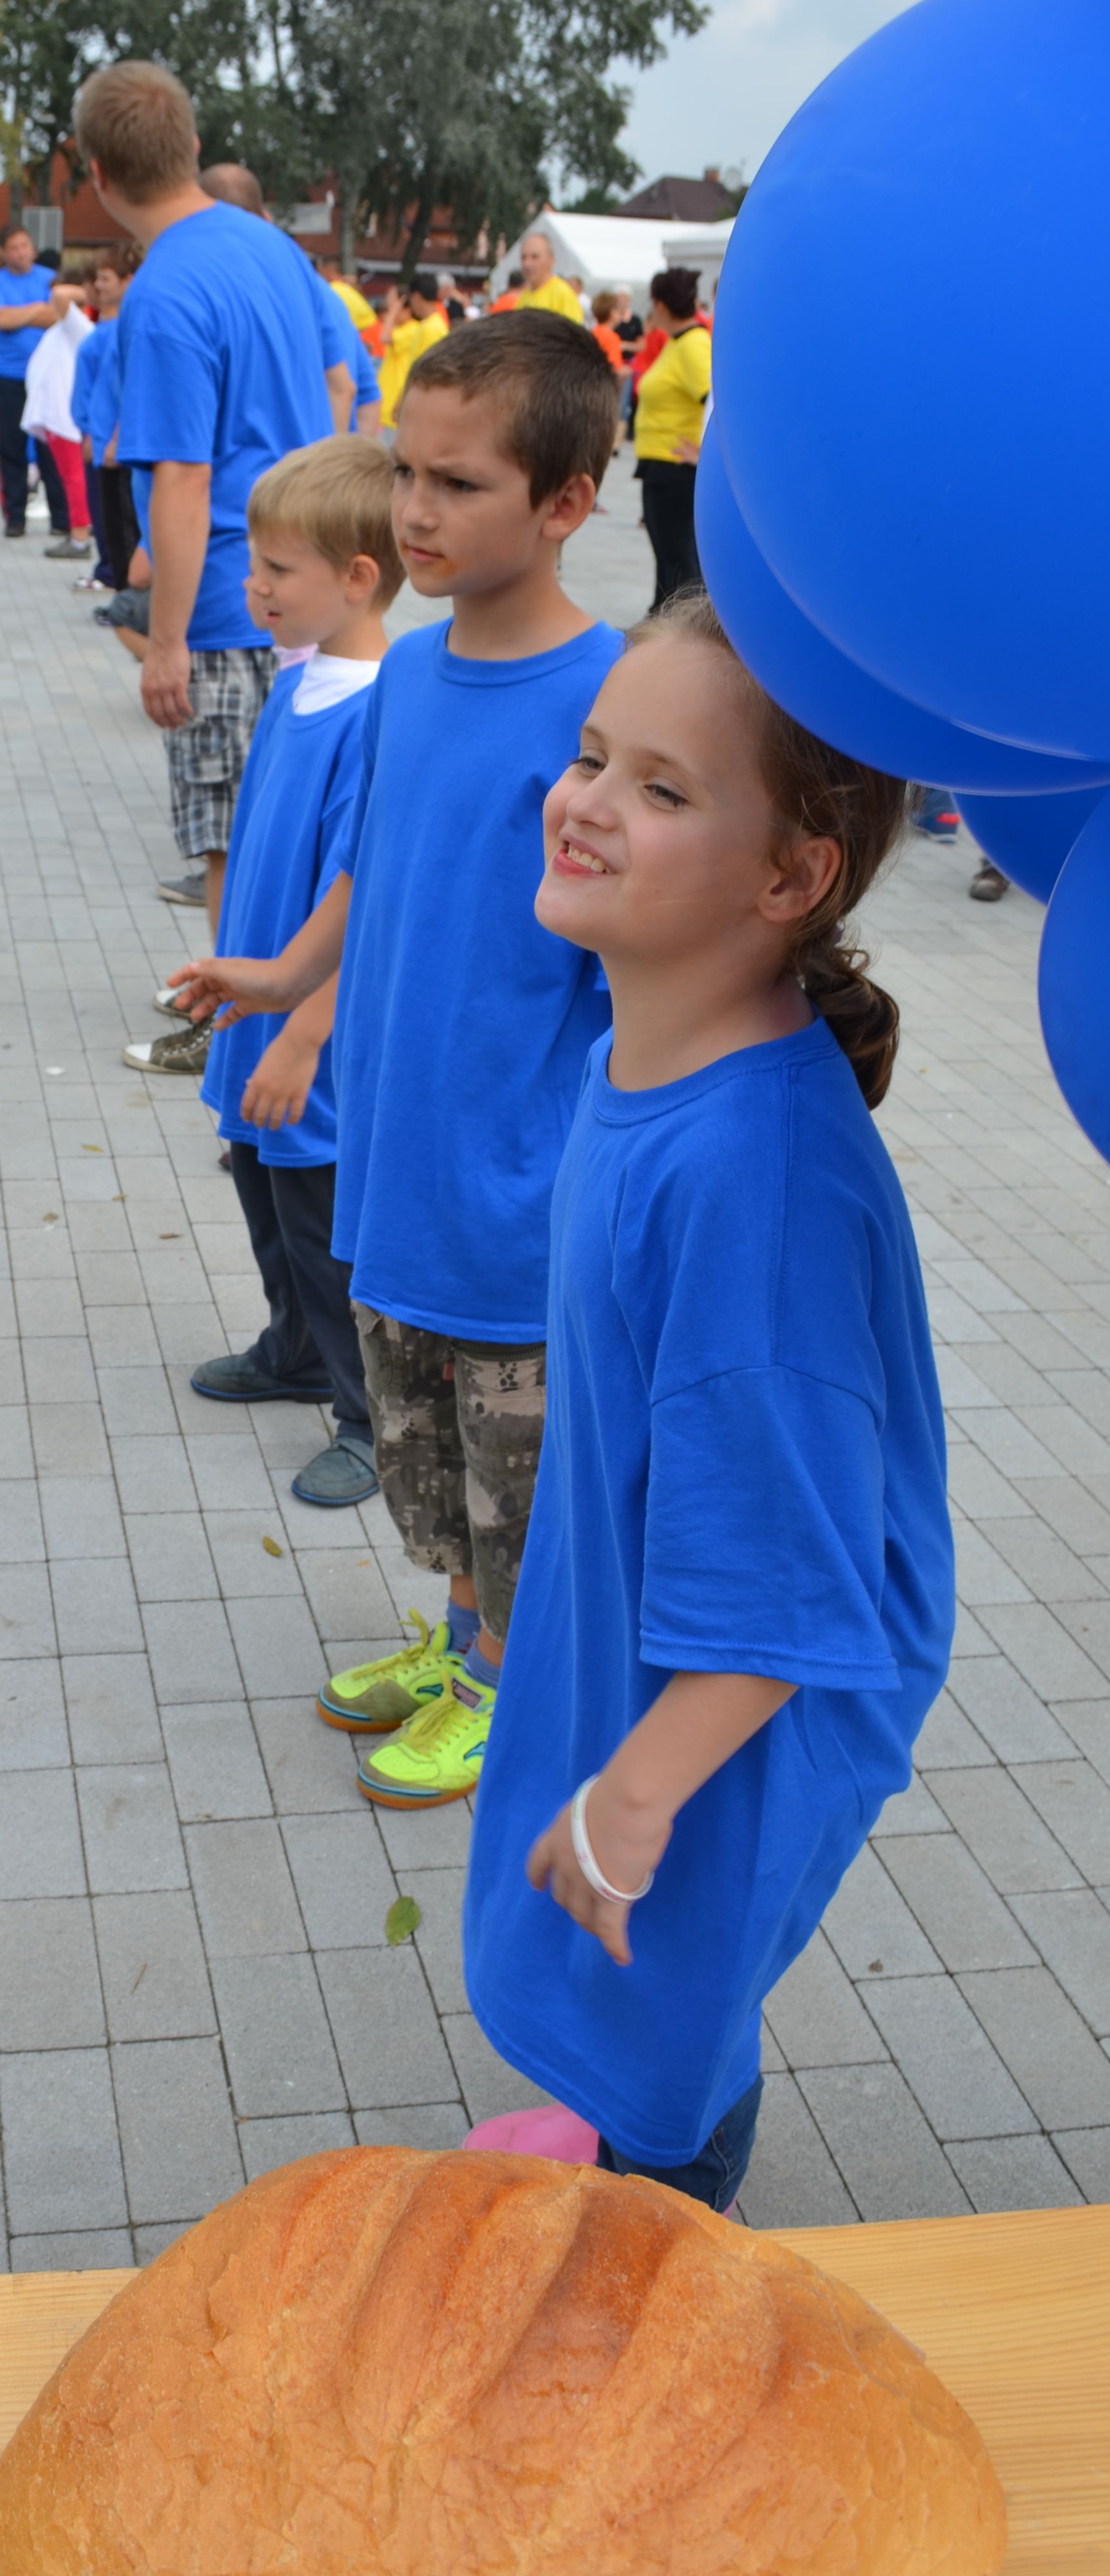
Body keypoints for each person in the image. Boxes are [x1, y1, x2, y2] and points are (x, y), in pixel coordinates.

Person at [458, 588, 948, 2218]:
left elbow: (790, 1581)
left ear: (789, 876)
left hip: (739, 1685)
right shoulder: (654, 1052)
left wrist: (634, 1793)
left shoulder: (755, 1177)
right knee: (615, 1968)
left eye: (661, 787)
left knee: (657, 1999)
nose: (587, 800)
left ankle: (659, 2207)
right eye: (594, 753)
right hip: (659, 1620)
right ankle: (618, 2128)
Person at [169, 311, 623, 1803]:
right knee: (429, 1461)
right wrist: (281, 975)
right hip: (399, 1164)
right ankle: (463, 1643)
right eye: (407, 473)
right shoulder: (408, 677)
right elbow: (373, 866)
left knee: (520, 1481)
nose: (414, 511)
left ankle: (510, 1688)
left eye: (459, 483)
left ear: (565, 502)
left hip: (517, 1193)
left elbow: (642, 952)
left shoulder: (610, 704)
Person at [161, 439, 404, 1508]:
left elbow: (370, 904)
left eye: (276, 569)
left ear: (358, 577)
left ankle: (370, 1415)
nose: (252, 585)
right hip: (257, 1011)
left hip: (314, 1036)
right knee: (260, 1182)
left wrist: (305, 1032)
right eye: (252, 563)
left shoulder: (378, 712)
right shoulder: (297, 679)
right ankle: (293, 1348)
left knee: (321, 1216)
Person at [74, 58, 338, 980]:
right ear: (190, 144)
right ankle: (293, 1018)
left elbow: (184, 479)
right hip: (315, 594)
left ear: (97, 175)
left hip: (230, 606)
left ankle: (236, 1022)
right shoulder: (272, 247)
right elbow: (334, 382)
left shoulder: (163, 294)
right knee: (302, 831)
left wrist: (165, 643)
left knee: (231, 841)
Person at [201, 162, 354, 434]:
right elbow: (343, 388)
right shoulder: (306, 276)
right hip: (307, 456)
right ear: (266, 218)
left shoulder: (198, 286)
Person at [0, 224, 72, 538]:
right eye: (14, 248)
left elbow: (59, 316)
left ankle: (62, 519)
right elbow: (0, 319)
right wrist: (37, 310)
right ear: (4, 253)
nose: (21, 252)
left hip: (48, 378)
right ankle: (15, 517)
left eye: (25, 246)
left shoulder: (49, 279)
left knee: (52, 446)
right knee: (11, 447)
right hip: (9, 376)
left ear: (32, 249)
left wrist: (20, 315)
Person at [633, 264, 712, 611]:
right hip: (661, 466)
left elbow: (717, 401)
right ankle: (661, 624)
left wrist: (704, 453)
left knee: (679, 562)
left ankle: (683, 630)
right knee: (669, 560)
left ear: (660, 305)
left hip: (676, 469)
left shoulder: (693, 345)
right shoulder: (679, 343)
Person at [73, 245, 141, 590]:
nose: (98, 285)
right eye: (96, 279)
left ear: (128, 280)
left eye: (106, 278)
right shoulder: (105, 329)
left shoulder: (125, 330)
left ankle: (120, 583)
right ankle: (114, 578)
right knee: (106, 517)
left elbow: (128, 388)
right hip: (100, 435)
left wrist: (114, 436)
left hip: (112, 441)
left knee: (119, 520)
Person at [21, 267, 95, 560]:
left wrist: (89, 292)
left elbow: (60, 295)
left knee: (75, 479)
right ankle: (77, 533)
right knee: (70, 479)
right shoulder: (64, 325)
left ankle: (80, 539)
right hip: (54, 417)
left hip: (65, 419)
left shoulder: (79, 324)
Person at [376, 275, 448, 429]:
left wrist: (403, 400)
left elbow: (423, 371)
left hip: (410, 405)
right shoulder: (429, 326)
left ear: (416, 296)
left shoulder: (431, 328)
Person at [496, 230, 584, 321]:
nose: (527, 264)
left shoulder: (564, 296)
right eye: (524, 257)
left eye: (535, 257)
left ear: (551, 260)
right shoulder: (523, 298)